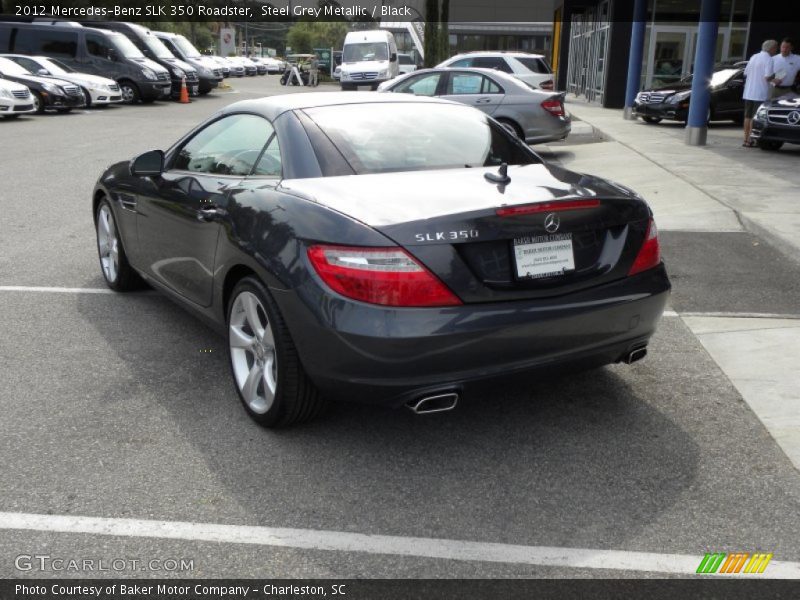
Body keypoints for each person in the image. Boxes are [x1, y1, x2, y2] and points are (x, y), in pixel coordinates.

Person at [742, 39, 778, 147]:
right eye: (776, 48)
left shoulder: (753, 57)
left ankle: (746, 139)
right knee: (755, 117)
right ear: (771, 48)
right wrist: (775, 77)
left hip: (748, 91)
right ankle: (752, 139)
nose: (776, 50)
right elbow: (767, 77)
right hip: (760, 92)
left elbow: (745, 73)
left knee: (747, 116)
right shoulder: (769, 59)